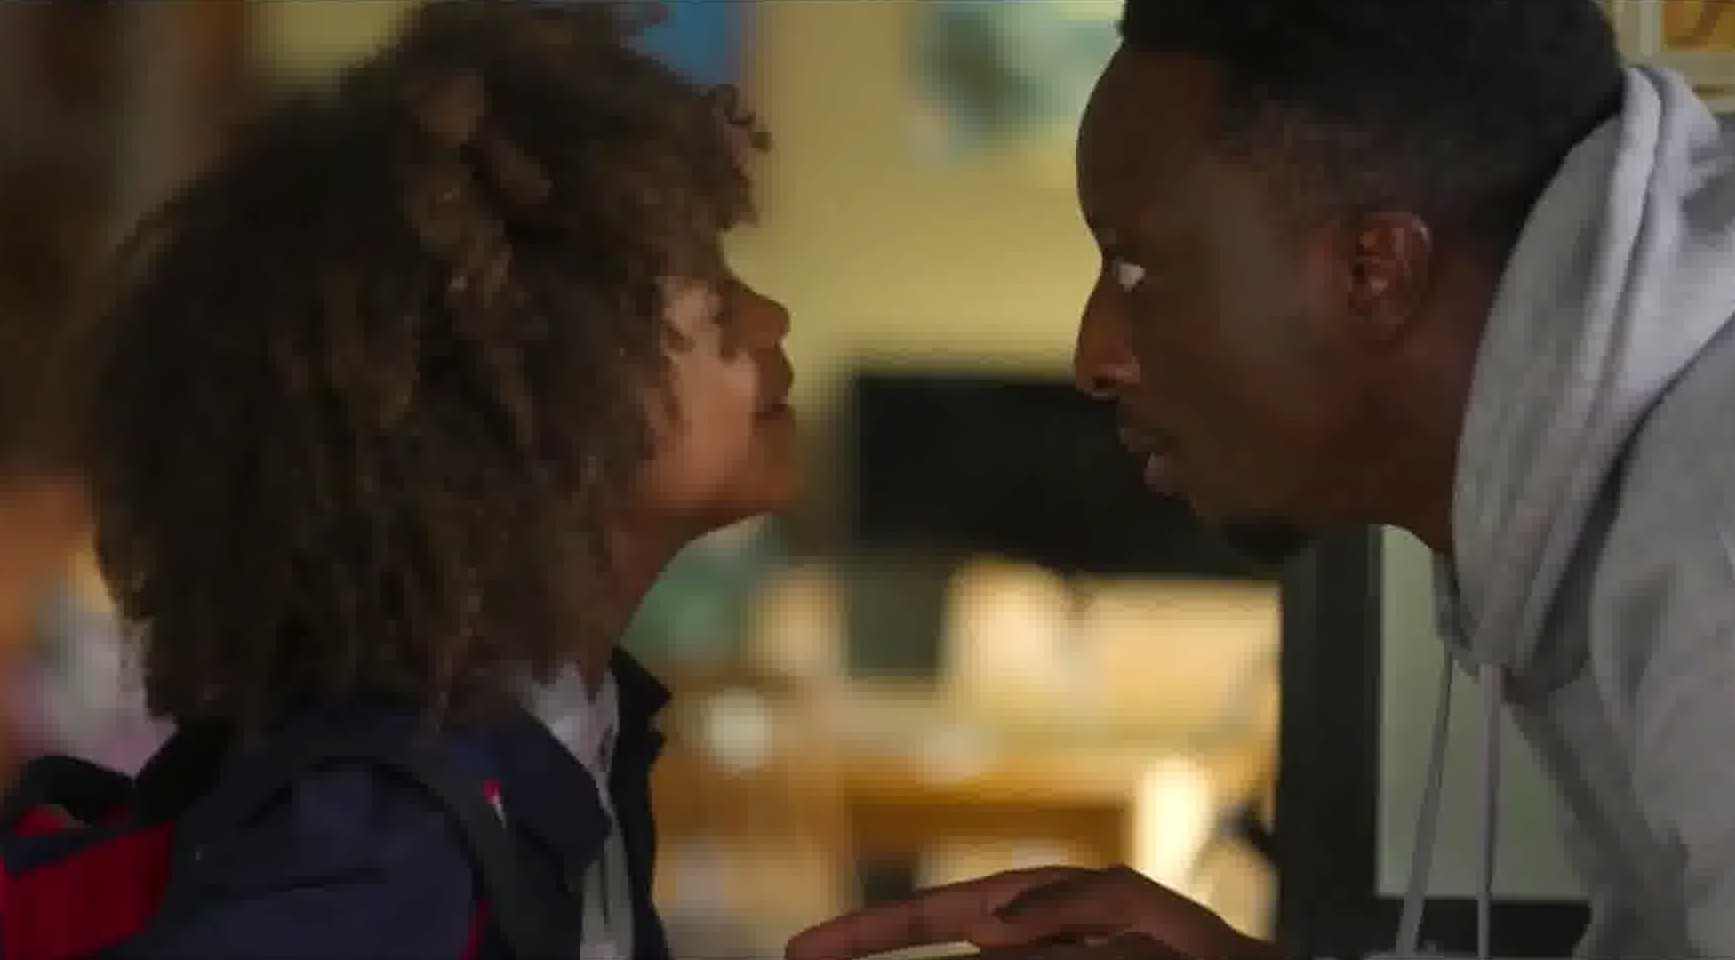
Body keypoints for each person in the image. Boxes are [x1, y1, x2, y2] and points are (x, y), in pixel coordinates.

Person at [787, 0, 1735, 958]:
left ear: (1372, 270)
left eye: (1135, 268)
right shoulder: (1624, 487)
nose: (1094, 356)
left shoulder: (1708, 519)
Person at [69, 2, 792, 957]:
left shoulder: (568, 737)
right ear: (528, 388)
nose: (770, 319)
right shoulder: (374, 848)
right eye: (712, 292)